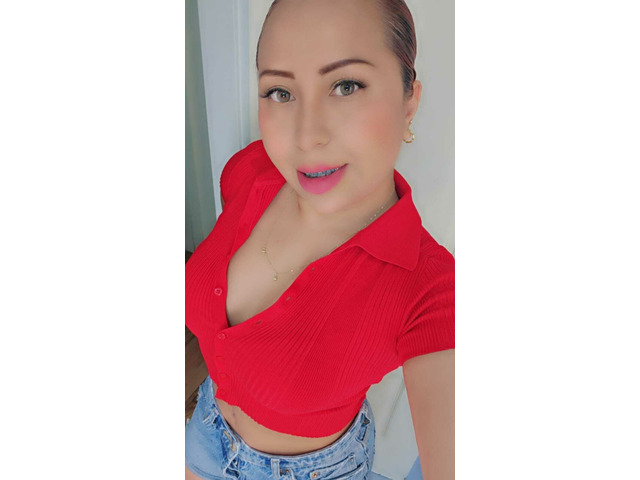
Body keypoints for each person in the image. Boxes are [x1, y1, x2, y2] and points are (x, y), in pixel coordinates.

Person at [185, 0, 454, 479]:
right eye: (280, 91)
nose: (306, 137)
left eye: (346, 85)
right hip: (204, 430)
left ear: (408, 101)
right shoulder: (250, 170)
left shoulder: (430, 287)